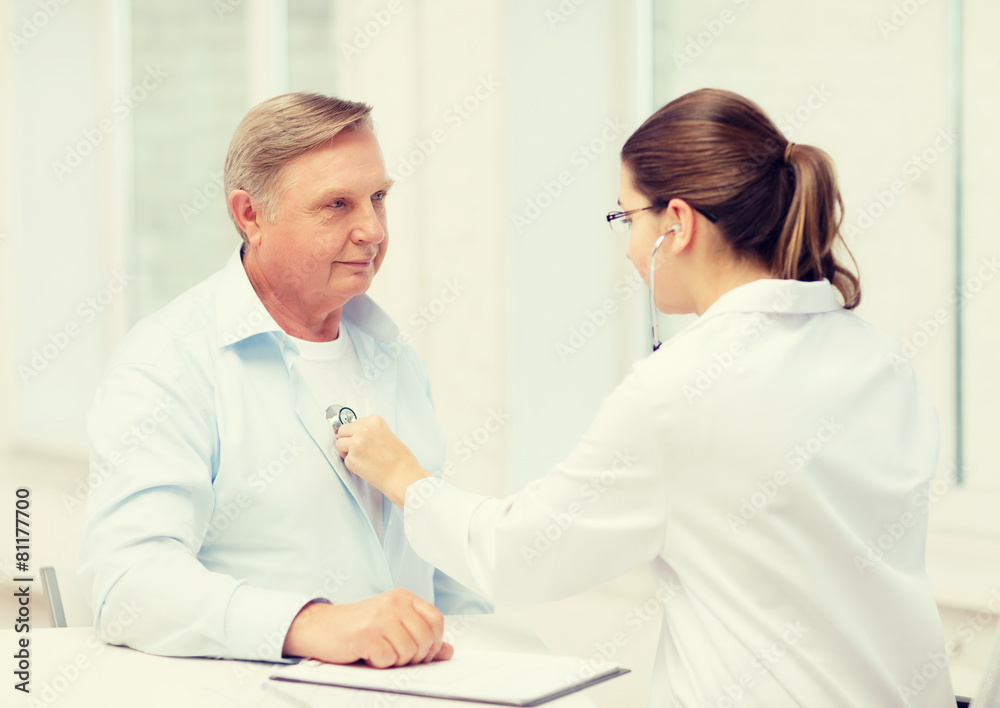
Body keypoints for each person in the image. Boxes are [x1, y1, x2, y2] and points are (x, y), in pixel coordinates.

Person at [335, 89, 955, 705]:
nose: (629, 247)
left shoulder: (683, 391)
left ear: (677, 224)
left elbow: (521, 556)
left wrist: (404, 476)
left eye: (627, 218)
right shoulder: (881, 360)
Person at [78, 93, 490, 669]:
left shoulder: (392, 355)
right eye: (337, 205)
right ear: (251, 216)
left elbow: (441, 578)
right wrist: (313, 624)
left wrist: (501, 664)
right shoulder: (169, 363)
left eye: (378, 198)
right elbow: (127, 584)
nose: (371, 229)